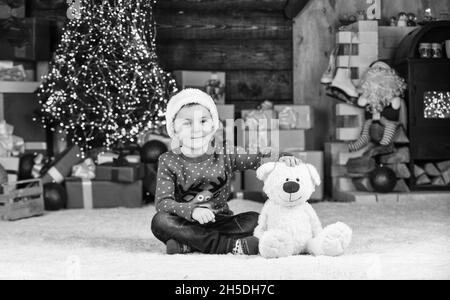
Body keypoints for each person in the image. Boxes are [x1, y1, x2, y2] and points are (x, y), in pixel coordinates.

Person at [151, 88, 301, 255]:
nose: (196, 129)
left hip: (220, 221)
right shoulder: (168, 160)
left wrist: (281, 156)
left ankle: (190, 244)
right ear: (174, 129)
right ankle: (228, 246)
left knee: (255, 219)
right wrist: (192, 211)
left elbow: (256, 157)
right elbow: (163, 203)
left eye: (203, 121)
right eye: (187, 123)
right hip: (185, 221)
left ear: (213, 124)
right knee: (160, 221)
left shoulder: (224, 152)